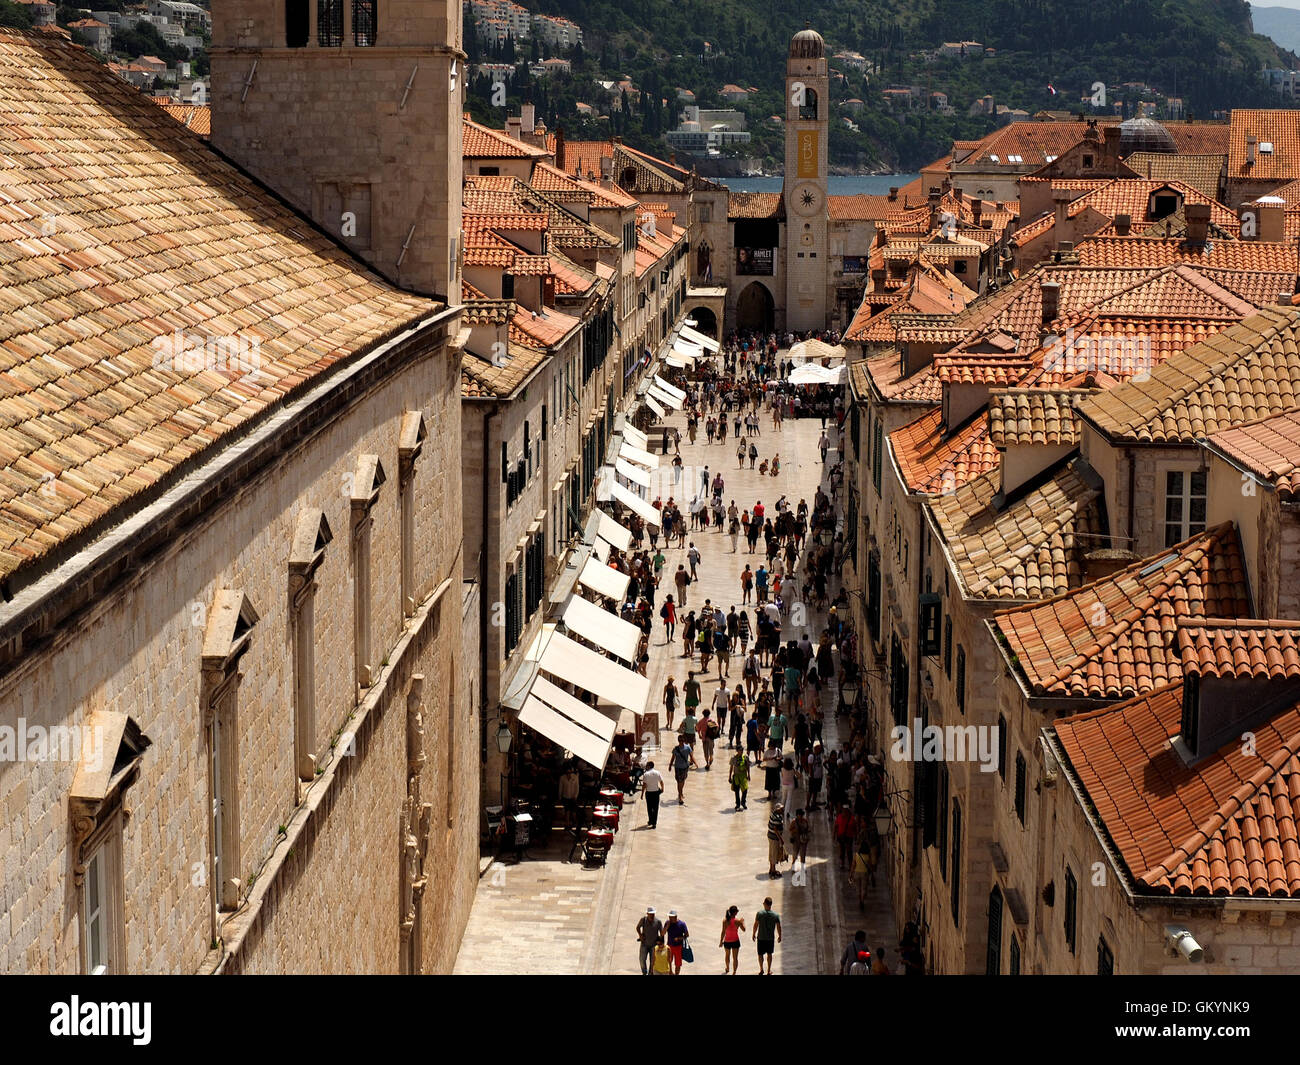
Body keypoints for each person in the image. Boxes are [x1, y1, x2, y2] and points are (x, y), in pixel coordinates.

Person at [753, 898, 782, 975]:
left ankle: (761, 969)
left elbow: (756, 925)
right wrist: (780, 936)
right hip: (770, 938)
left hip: (761, 938)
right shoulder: (775, 915)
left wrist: (753, 934)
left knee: (760, 954)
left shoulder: (759, 913)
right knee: (769, 954)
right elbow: (778, 926)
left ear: (765, 904)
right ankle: (769, 970)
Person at [637, 906, 665, 975]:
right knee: (642, 960)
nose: (652, 915)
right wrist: (640, 935)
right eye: (650, 914)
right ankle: (644, 972)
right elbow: (637, 927)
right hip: (644, 944)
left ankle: (650, 973)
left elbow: (662, 934)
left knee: (652, 961)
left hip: (654, 945)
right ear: (647, 913)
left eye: (653, 914)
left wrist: (661, 943)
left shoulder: (658, 922)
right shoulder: (643, 920)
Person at [670, 735, 696, 803]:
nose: (681, 742)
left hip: (685, 767)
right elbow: (673, 758)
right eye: (680, 741)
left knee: (683, 781)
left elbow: (691, 756)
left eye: (682, 741)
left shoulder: (687, 747)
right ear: (678, 741)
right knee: (679, 782)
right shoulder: (676, 749)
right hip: (678, 767)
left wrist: (696, 763)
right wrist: (670, 765)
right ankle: (680, 796)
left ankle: (680, 793)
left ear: (684, 741)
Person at [720, 905, 745, 975]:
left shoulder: (724, 921)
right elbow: (744, 930)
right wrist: (742, 922)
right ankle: (734, 972)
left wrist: (721, 941)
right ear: (735, 913)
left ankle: (727, 968)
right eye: (737, 911)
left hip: (727, 941)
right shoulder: (738, 921)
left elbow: (723, 932)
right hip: (735, 941)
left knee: (727, 955)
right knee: (735, 958)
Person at [664, 910, 690, 975]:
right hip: (669, 946)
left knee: (678, 963)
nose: (669, 918)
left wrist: (679, 938)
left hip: (678, 947)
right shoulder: (667, 923)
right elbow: (662, 933)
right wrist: (667, 926)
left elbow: (687, 935)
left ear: (675, 917)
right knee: (668, 961)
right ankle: (670, 972)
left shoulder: (682, 924)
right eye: (669, 917)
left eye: (671, 917)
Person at [641, 760, 664, 828]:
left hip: (649, 793)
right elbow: (661, 781)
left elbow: (644, 785)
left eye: (646, 765)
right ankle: (654, 823)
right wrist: (663, 788)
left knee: (649, 808)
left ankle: (650, 820)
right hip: (656, 792)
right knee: (656, 808)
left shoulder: (646, 774)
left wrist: (642, 794)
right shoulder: (657, 772)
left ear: (649, 766)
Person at [766, 803, 787, 878]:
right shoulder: (777, 817)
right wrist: (781, 839)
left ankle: (771, 869)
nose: (783, 810)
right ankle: (773, 871)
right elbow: (775, 829)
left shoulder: (774, 814)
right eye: (781, 809)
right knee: (774, 854)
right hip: (774, 837)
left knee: (772, 853)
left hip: (770, 836)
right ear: (778, 810)